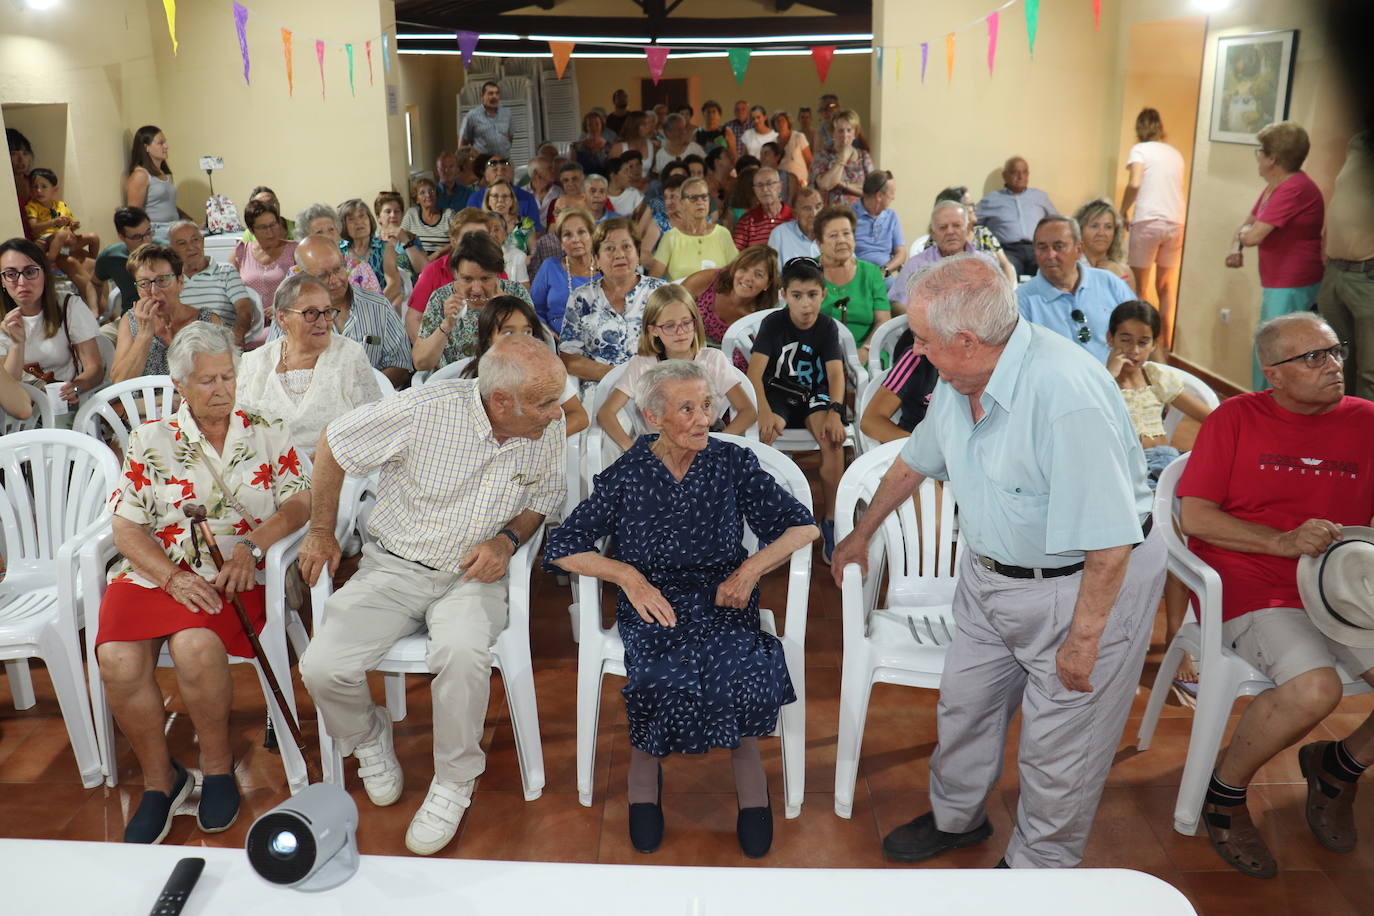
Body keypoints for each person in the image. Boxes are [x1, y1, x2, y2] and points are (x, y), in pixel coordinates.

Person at [831, 253, 1164, 869]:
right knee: (964, 707)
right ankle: (958, 820)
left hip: (1082, 588)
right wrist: (859, 536)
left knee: (1059, 746)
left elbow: (1111, 543)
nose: (918, 351)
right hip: (988, 576)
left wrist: (1084, 641)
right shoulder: (963, 379)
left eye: (924, 340)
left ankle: (1037, 868)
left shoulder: (1066, 396)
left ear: (966, 339)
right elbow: (913, 460)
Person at [299, 335, 567, 856]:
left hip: (472, 574)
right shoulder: (424, 410)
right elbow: (333, 442)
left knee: (463, 653)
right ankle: (368, 736)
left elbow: (542, 498)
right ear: (500, 401)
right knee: (322, 667)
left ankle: (454, 779)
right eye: (545, 402)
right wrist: (321, 531)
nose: (558, 415)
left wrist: (508, 540)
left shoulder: (542, 427)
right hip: (395, 566)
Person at [546, 359, 816, 858]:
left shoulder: (732, 463)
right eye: (686, 408)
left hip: (722, 594)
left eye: (708, 405)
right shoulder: (629, 473)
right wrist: (627, 576)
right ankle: (644, 777)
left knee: (741, 663)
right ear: (653, 417)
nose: (703, 419)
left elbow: (803, 526)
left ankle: (751, 783)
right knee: (656, 672)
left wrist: (749, 570)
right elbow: (563, 544)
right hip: (655, 600)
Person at [96, 322, 311, 844]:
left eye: (228, 377)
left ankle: (217, 770)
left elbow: (300, 502)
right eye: (208, 381)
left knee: (194, 648)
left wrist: (252, 547)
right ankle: (160, 781)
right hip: (158, 573)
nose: (222, 390)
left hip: (232, 572)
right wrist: (169, 577)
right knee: (116, 658)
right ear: (182, 387)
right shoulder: (151, 440)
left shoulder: (265, 426)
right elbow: (126, 525)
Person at [1177, 311, 1374, 878]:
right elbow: (1196, 517)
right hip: (1253, 581)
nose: (1333, 366)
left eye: (1336, 352)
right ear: (1274, 374)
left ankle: (1340, 765)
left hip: (1343, 587)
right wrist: (1283, 542)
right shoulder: (1235, 419)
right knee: (1316, 689)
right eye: (1313, 357)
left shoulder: (1366, 421)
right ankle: (1226, 793)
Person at [1105, 300, 1213, 690]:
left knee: (1178, 542)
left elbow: (1211, 417)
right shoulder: (1102, 380)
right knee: (1160, 540)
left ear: (1153, 344)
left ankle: (1174, 638)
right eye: (1125, 340)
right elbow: (1094, 421)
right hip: (1124, 469)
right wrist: (1110, 376)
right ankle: (1125, 643)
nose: (1133, 351)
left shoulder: (1155, 378)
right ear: (1110, 339)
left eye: (1142, 342)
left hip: (1164, 464)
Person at [748, 257, 846, 563]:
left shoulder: (827, 326)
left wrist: (836, 411)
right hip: (778, 391)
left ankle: (830, 520)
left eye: (812, 295)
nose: (806, 305)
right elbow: (754, 374)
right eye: (797, 296)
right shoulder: (773, 323)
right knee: (763, 437)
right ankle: (768, 520)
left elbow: (835, 375)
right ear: (784, 295)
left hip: (814, 393)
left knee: (831, 439)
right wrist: (763, 410)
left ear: (824, 293)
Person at [1225, 121, 1326, 391]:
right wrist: (1239, 243)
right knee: (1269, 345)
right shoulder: (1275, 187)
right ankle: (1262, 405)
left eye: (1260, 151)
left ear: (1273, 158)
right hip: (1277, 281)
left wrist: (1242, 239)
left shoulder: (1294, 188)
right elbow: (1247, 225)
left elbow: (1253, 235)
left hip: (1293, 282)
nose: (1257, 156)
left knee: (1277, 351)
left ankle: (1268, 409)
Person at [237, 273, 383, 458]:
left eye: (328, 311)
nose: (323, 323)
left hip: (339, 476)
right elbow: (240, 434)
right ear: (282, 318)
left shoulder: (349, 355)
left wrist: (324, 463)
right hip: (269, 474)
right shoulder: (255, 363)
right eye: (311, 313)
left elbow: (374, 427)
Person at [598, 285, 756, 450]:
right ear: (653, 330)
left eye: (686, 322)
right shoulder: (642, 364)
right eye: (669, 326)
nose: (680, 332)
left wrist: (718, 446)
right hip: (658, 451)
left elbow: (748, 411)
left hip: (704, 446)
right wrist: (631, 449)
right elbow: (606, 413)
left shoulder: (713, 359)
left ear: (695, 323)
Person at [273, 236, 412, 388]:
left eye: (338, 269)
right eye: (322, 276)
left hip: (371, 403)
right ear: (302, 276)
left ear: (344, 261)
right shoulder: (290, 314)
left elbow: (401, 364)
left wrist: (365, 391)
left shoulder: (378, 306)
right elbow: (273, 366)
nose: (334, 280)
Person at [458, 295, 588, 434]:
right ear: (489, 337)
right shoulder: (472, 378)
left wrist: (540, 439)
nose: (520, 340)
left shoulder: (548, 373)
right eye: (508, 333)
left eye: (527, 332)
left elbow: (579, 417)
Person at [560, 218, 666, 383]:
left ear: (637, 254)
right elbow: (570, 359)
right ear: (596, 260)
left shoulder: (660, 293)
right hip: (599, 388)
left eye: (626, 246)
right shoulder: (580, 298)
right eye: (609, 248)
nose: (619, 254)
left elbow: (681, 345)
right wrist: (619, 377)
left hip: (653, 386)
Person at [0, 237, 103, 406]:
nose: (22, 282)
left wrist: (76, 387)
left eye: (30, 272)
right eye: (11, 274)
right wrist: (16, 345)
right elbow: (7, 387)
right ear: (2, 281)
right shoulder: (4, 321)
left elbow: (95, 368)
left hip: (62, 403)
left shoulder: (68, 306)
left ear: (45, 274)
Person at [1016, 216, 1135, 362]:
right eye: (1042, 247)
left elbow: (1141, 330)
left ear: (1079, 249)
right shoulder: (1021, 301)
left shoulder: (1109, 283)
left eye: (1058, 247)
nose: (1050, 255)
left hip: (1116, 379)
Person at [404, 209, 530, 342]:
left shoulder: (497, 272)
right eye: (468, 238)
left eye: (482, 237)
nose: (476, 244)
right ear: (453, 241)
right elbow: (413, 319)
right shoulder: (433, 271)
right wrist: (430, 352)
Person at [111, 242, 223, 382]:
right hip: (145, 404)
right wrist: (144, 335)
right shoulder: (130, 321)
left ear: (180, 282)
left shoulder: (207, 321)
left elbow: (222, 375)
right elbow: (119, 382)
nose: (153, 291)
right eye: (144, 284)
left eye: (162, 280)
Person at [1120, 108, 1186, 347]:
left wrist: (1122, 210)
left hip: (1148, 221)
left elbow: (1135, 182)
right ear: (1160, 127)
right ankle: (1165, 344)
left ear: (1139, 128)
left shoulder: (1140, 150)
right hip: (1175, 222)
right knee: (1166, 288)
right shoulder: (1175, 154)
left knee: (1139, 288)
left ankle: (1142, 344)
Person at [1317, 132, 1374, 400]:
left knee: (1369, 372)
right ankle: (1340, 427)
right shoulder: (1358, 144)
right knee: (1335, 363)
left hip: (1367, 277)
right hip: (1336, 272)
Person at [414, 232, 519, 372]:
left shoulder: (516, 294)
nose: (476, 289)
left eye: (485, 279)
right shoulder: (441, 298)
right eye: (467, 279)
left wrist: (509, 314)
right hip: (455, 385)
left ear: (498, 273)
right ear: (455, 273)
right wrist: (447, 324)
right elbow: (421, 363)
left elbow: (533, 354)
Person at [891, 200, 1000, 315]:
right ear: (933, 233)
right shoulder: (916, 265)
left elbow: (999, 302)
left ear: (967, 229)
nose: (950, 231)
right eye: (943, 227)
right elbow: (897, 304)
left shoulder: (985, 263)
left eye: (957, 225)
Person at [815, 205, 889, 363]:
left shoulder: (871, 273)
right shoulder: (808, 271)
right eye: (833, 235)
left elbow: (883, 320)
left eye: (846, 233)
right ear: (819, 243)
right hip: (817, 355)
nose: (841, 240)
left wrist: (865, 351)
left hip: (867, 354)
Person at [168, 220, 253, 346]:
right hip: (182, 346)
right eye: (182, 243)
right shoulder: (169, 279)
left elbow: (244, 310)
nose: (191, 247)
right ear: (172, 250)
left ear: (202, 241)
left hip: (220, 344)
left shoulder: (226, 271)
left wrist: (237, 335)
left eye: (195, 240)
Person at [24, 168, 100, 308]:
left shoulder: (61, 205)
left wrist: (74, 225)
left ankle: (93, 262)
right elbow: (34, 227)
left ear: (55, 189)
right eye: (35, 187)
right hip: (47, 239)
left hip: (65, 239)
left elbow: (70, 223)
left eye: (44, 187)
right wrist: (54, 223)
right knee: (62, 234)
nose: (39, 191)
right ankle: (50, 261)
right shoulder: (32, 206)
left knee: (93, 237)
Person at [976, 156, 1059, 278]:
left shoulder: (1040, 196)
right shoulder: (991, 200)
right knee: (1007, 272)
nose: (1020, 177)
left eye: (1024, 172)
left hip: (1037, 248)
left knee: (1049, 270)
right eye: (1015, 172)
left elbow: (1057, 222)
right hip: (1008, 251)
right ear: (1004, 175)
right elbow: (973, 222)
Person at [681, 245, 778, 348]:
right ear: (735, 268)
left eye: (758, 275)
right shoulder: (708, 280)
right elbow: (669, 304)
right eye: (743, 269)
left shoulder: (762, 318)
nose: (748, 278)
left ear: (768, 284)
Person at [858, 328, 939, 443]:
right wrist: (922, 448)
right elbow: (871, 421)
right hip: (913, 445)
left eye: (923, 339)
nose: (916, 348)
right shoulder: (915, 358)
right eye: (916, 337)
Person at [648, 178, 737, 281]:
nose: (700, 202)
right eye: (693, 198)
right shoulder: (671, 237)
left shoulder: (722, 234)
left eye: (704, 197)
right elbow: (653, 280)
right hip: (680, 296)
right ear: (682, 203)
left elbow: (735, 272)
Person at [232, 199, 298, 330]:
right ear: (251, 230)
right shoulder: (242, 251)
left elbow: (306, 288)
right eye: (263, 227)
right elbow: (227, 286)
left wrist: (282, 307)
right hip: (249, 324)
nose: (270, 232)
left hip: (284, 322)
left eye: (273, 225)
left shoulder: (294, 251)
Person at [296, 203, 382, 295]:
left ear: (338, 232)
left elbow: (377, 305)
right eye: (319, 232)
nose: (328, 236)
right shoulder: (297, 273)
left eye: (331, 229)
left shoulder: (360, 268)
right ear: (307, 240)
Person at [340, 198, 405, 309]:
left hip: (378, 308)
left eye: (362, 216)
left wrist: (371, 308)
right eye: (351, 219)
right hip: (347, 310)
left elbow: (394, 284)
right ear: (344, 225)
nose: (358, 222)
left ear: (370, 220)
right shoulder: (340, 250)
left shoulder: (385, 247)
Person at [125, 125, 189, 235]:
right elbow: (134, 214)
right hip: (156, 231)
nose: (166, 146)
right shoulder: (140, 175)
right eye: (160, 143)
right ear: (146, 147)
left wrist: (191, 221)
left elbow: (169, 206)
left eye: (165, 142)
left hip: (174, 227)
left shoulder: (165, 174)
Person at [95, 206, 157, 313]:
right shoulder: (111, 256)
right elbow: (94, 282)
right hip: (131, 316)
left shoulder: (166, 251)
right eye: (137, 237)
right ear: (122, 237)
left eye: (148, 232)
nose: (146, 241)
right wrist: (94, 308)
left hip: (165, 316)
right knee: (100, 330)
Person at [809, 109, 873, 207]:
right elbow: (825, 185)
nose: (845, 135)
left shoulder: (864, 157)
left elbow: (871, 191)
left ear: (855, 133)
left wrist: (844, 184)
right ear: (833, 133)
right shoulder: (822, 156)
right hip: (830, 215)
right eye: (840, 131)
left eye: (849, 130)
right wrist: (842, 159)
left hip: (859, 216)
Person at [852, 171, 905, 284]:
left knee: (904, 295)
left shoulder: (892, 216)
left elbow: (901, 254)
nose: (893, 197)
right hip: (858, 277)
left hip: (884, 276)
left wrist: (882, 272)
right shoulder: (849, 216)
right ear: (879, 196)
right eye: (892, 193)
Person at [466, 154, 543, 230]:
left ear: (512, 174)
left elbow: (534, 230)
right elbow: (471, 231)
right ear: (486, 176)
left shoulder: (527, 197)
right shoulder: (475, 198)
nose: (500, 173)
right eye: (495, 170)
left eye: (504, 169)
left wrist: (512, 236)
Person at [1075, 198, 1135, 289]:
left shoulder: (1124, 272)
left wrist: (1119, 278)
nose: (1101, 233)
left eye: (1108, 227)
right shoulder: (1070, 267)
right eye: (1094, 226)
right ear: (1080, 229)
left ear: (1115, 232)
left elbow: (1130, 303)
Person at [732, 168, 794, 250]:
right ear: (754, 190)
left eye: (769, 183)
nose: (765, 189)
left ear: (779, 187)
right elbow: (736, 255)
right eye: (760, 185)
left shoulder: (793, 218)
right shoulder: (746, 221)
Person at [374, 191, 429, 281]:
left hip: (412, 292)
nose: (393, 215)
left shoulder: (412, 238)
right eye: (388, 211)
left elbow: (424, 269)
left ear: (402, 215)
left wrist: (406, 241)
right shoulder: (373, 242)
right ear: (378, 217)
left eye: (397, 211)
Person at [767, 186, 823, 273]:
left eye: (818, 207)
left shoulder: (833, 233)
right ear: (795, 214)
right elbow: (773, 275)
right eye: (807, 208)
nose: (814, 214)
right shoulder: (780, 234)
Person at [458, 80, 514, 158]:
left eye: (497, 93)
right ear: (482, 96)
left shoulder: (507, 113)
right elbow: (462, 147)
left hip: (504, 160)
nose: (494, 96)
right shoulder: (472, 116)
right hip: (483, 163)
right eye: (490, 93)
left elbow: (510, 138)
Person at [402, 178, 454, 256]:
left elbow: (457, 241)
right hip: (418, 262)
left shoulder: (448, 214)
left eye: (431, 191)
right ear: (417, 199)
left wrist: (436, 254)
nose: (428, 195)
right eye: (422, 192)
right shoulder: (411, 214)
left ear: (436, 195)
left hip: (443, 260)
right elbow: (402, 237)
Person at [482, 180, 536, 254]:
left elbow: (534, 257)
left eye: (505, 196)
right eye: (495, 196)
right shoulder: (481, 225)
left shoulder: (525, 224)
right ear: (488, 201)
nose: (500, 200)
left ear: (511, 201)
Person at [771, 111, 812, 194]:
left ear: (788, 122)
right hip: (783, 184)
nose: (780, 123)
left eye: (783, 120)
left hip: (801, 182)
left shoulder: (799, 137)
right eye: (777, 121)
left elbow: (809, 161)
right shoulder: (773, 142)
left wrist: (809, 180)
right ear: (774, 124)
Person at [8, 128, 34, 241]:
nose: (21, 159)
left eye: (25, 153)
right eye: (13, 153)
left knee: (73, 254)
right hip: (17, 245)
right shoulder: (5, 187)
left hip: (43, 242)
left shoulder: (36, 182)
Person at [573, 111, 614, 180]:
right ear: (586, 127)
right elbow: (572, 170)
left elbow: (611, 171)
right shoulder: (576, 147)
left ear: (602, 125)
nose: (594, 128)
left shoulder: (610, 147)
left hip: (603, 184)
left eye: (597, 124)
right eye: (590, 125)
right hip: (583, 185)